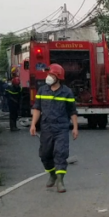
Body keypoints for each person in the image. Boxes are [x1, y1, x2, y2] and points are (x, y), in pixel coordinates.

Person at [30, 64, 79, 194]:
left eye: (51, 75)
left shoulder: (67, 92)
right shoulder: (42, 90)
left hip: (61, 128)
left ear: (58, 77)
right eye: (48, 74)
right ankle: (52, 174)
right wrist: (33, 124)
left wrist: (75, 127)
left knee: (60, 153)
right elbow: (37, 108)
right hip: (46, 128)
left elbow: (72, 111)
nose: (49, 77)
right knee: (45, 154)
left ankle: (60, 181)